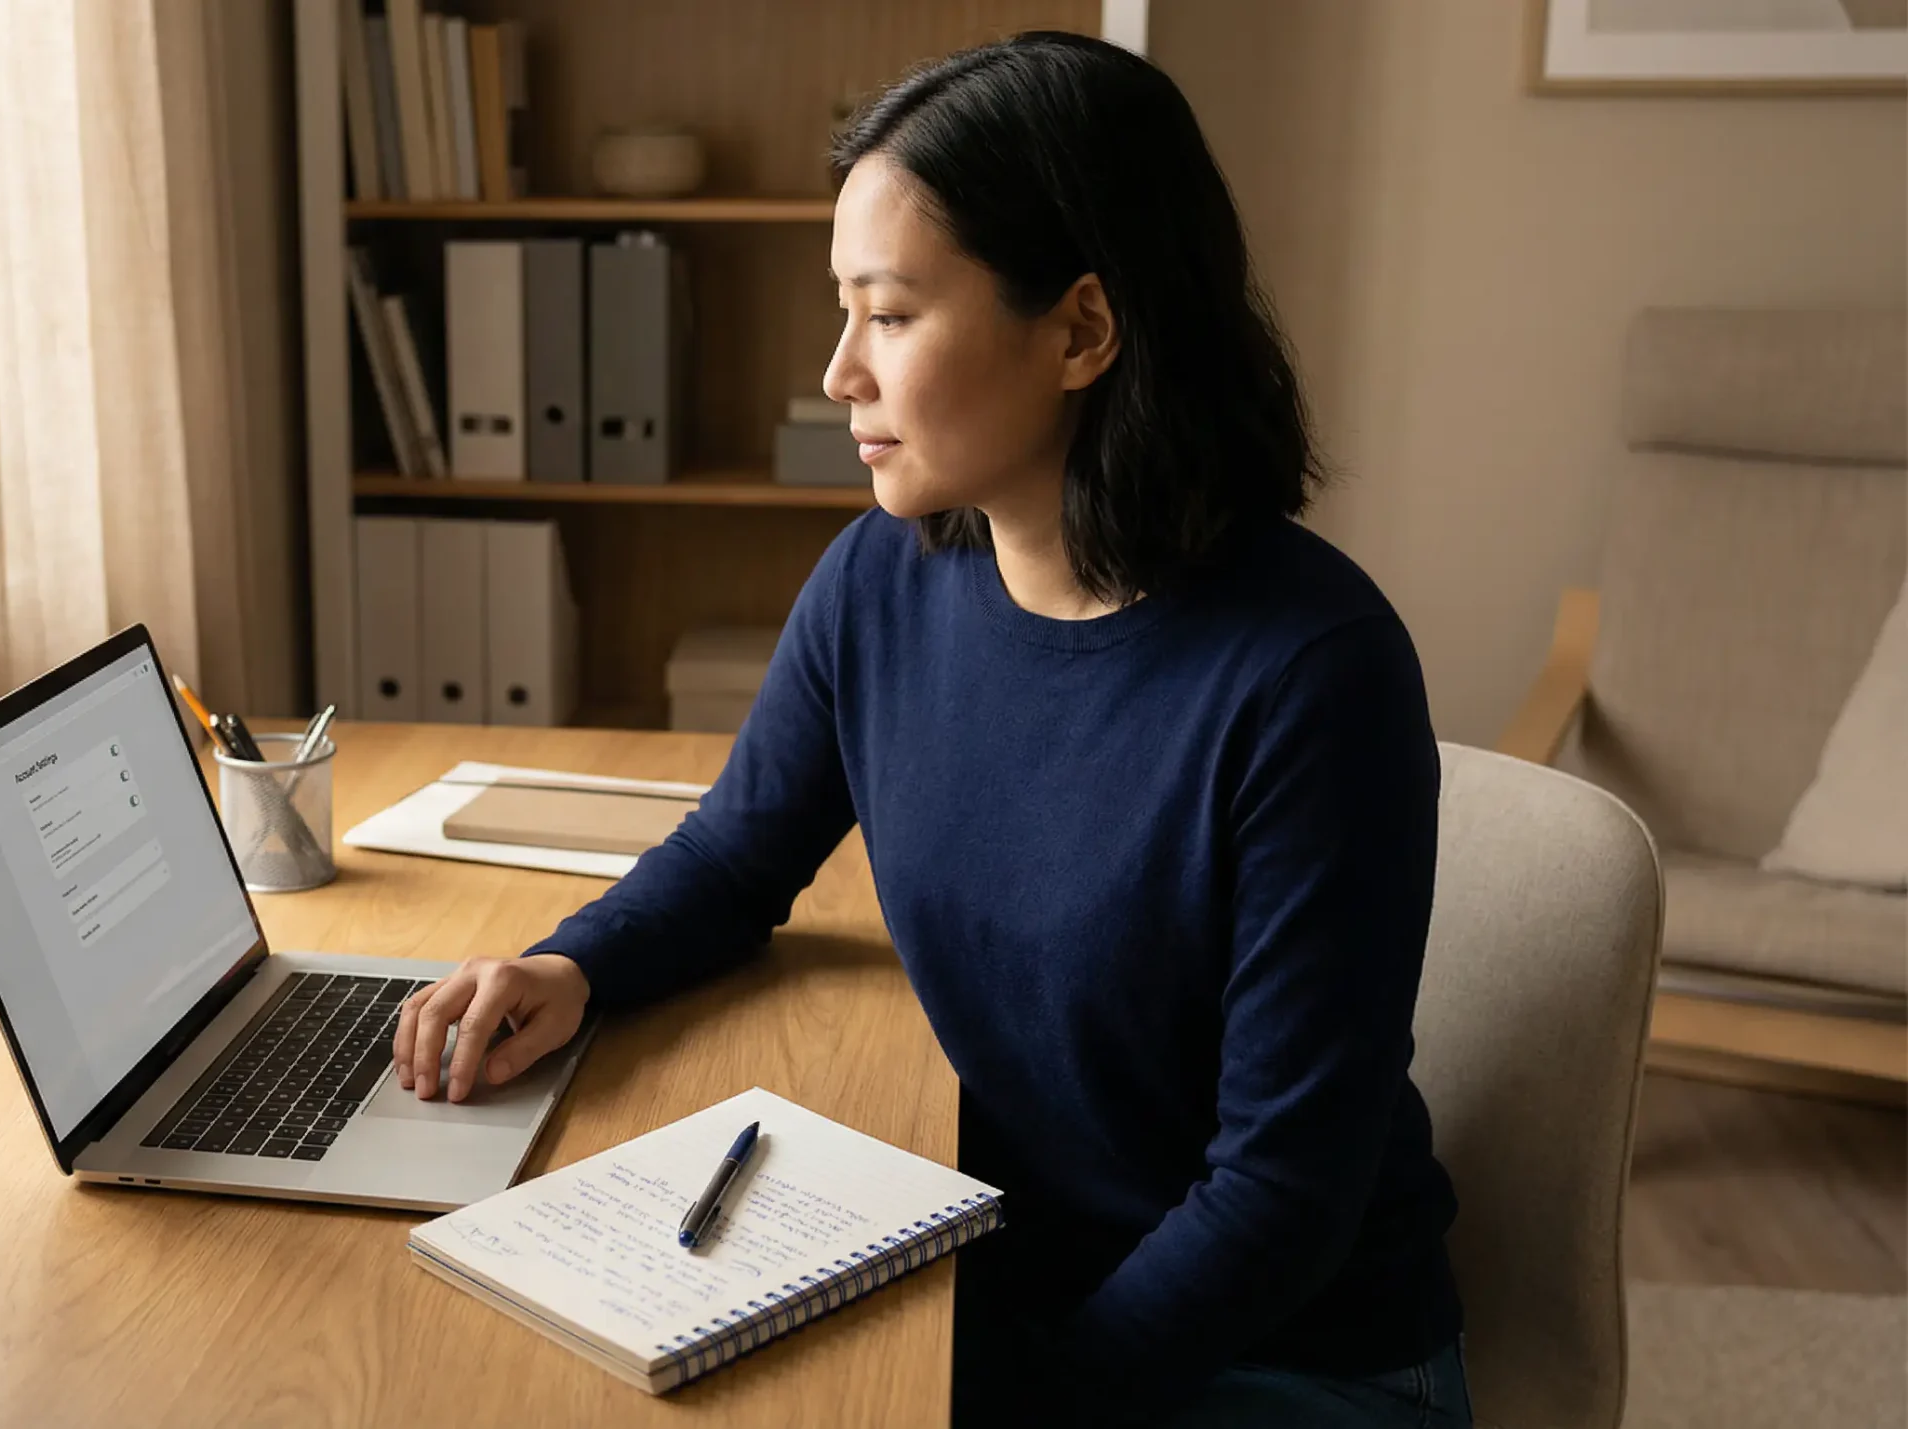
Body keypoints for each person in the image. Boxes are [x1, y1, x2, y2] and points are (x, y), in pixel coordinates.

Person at [389, 31, 1470, 1428]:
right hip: (1014, 1282)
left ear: (1083, 330)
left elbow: (1277, 1202)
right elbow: (738, 856)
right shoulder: (883, 584)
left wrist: (1001, 1401)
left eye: (890, 315)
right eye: (843, 311)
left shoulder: (1313, 677)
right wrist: (568, 967)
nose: (840, 373)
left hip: (1282, 1356)